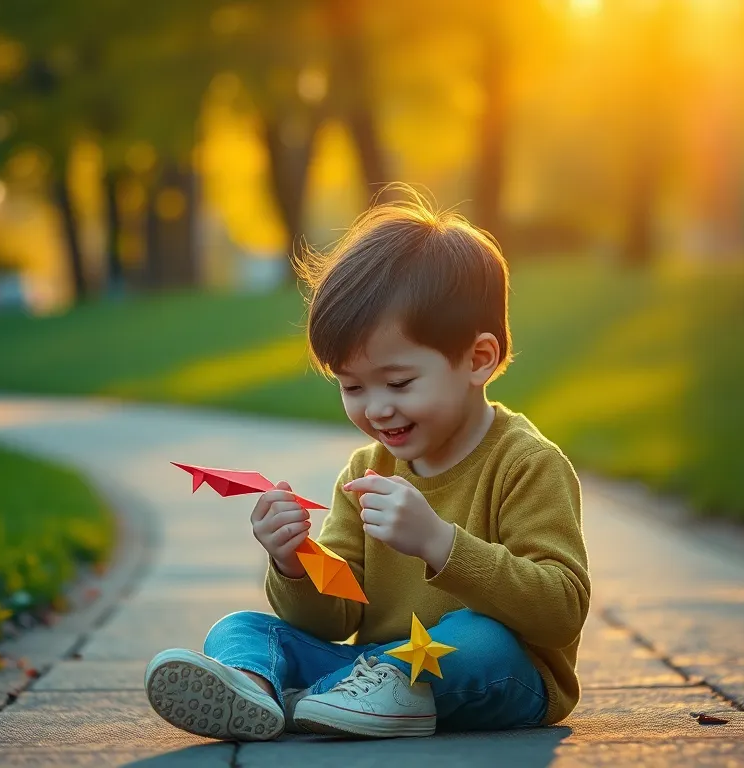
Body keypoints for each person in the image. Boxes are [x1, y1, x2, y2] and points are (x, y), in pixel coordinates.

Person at [144, 188, 590, 740]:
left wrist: (439, 543)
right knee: (241, 629)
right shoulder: (366, 468)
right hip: (371, 666)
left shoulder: (525, 463)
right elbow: (340, 616)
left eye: (399, 383)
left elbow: (561, 609)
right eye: (352, 386)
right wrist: (295, 559)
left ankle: (339, 696)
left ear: (479, 359)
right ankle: (256, 693)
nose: (376, 409)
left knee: (481, 635)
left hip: (499, 673)